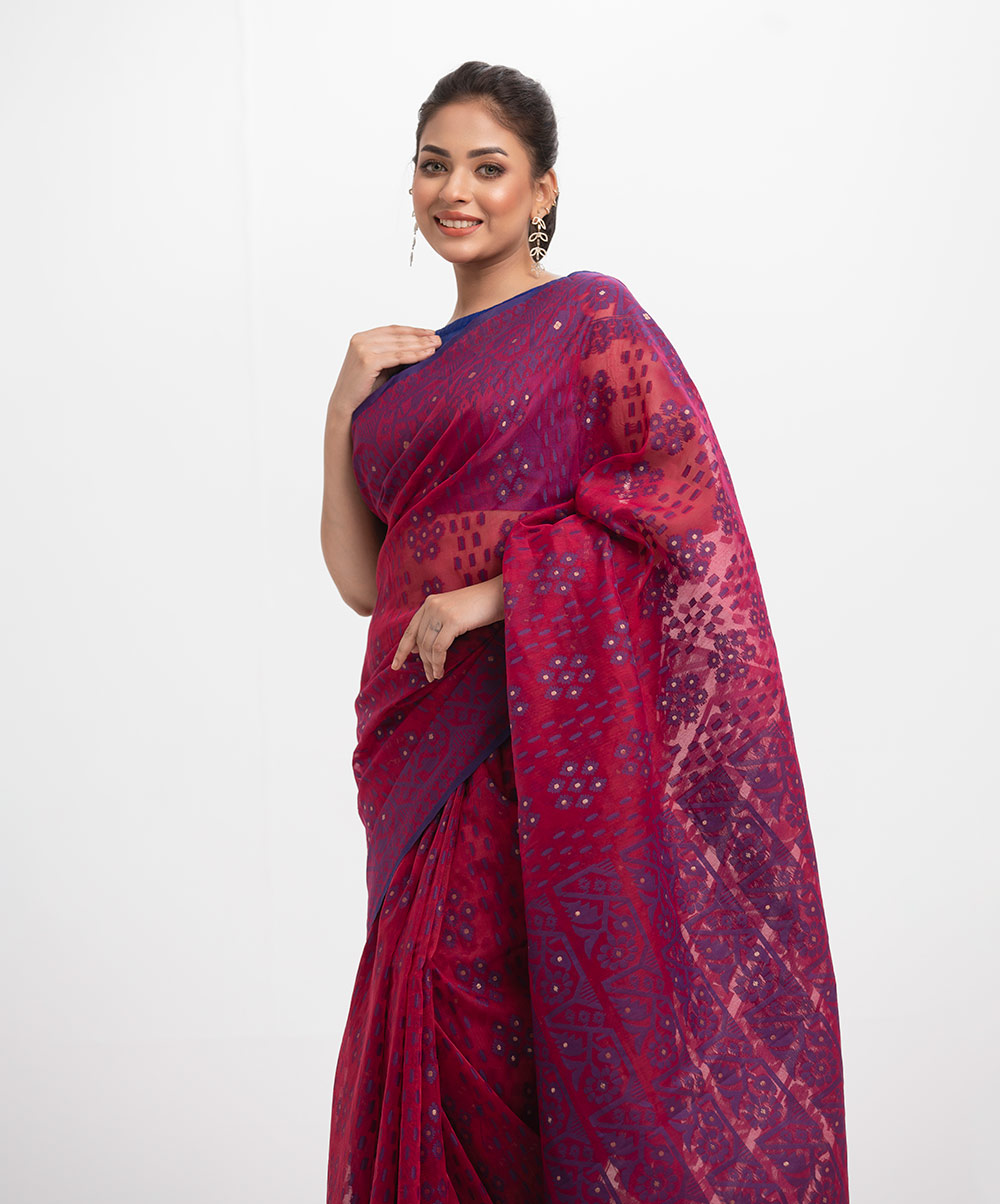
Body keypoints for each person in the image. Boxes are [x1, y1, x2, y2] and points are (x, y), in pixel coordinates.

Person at [321, 59, 849, 1204]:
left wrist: (492, 596)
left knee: (487, 1013)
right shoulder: (396, 368)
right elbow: (362, 581)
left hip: (525, 738)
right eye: (433, 165)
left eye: (488, 167)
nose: (456, 190)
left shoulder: (587, 318)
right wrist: (340, 404)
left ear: (542, 189)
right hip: (410, 740)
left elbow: (676, 505)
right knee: (424, 1012)